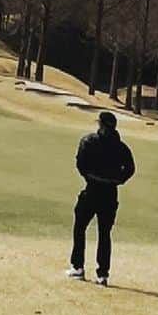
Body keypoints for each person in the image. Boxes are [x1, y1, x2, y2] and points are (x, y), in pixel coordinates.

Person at [65, 110, 134, 286]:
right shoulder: (121, 147)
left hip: (93, 190)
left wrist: (92, 177)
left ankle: (79, 268)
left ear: (101, 125)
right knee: (102, 233)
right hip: (109, 193)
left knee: (83, 228)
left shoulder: (89, 141)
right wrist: (116, 180)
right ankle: (101, 274)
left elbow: (81, 164)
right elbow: (129, 170)